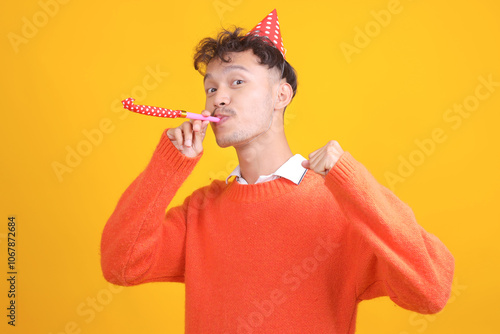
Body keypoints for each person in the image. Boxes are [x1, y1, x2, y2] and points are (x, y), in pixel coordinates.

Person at [100, 9, 455, 334]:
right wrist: (168, 164)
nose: (218, 97)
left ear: (281, 95)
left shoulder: (341, 204)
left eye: (237, 82)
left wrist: (351, 179)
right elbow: (121, 265)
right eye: (211, 87)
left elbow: (431, 290)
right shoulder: (201, 212)